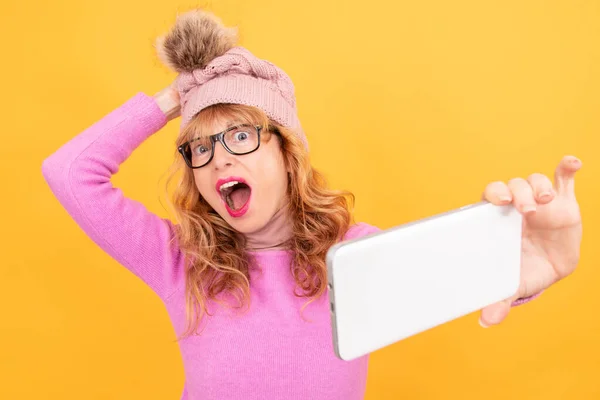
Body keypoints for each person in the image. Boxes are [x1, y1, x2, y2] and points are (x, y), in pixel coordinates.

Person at [41, 9, 583, 400]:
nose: (218, 160)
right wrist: (175, 98)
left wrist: (515, 263)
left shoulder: (355, 256)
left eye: (241, 136)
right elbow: (68, 172)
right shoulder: (180, 264)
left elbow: (455, 275)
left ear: (286, 152)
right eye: (200, 147)